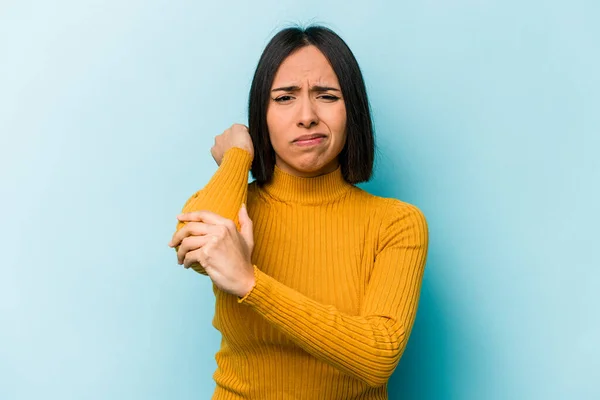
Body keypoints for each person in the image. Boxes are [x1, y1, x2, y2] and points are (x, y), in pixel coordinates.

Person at [168, 25, 429, 399]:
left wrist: (250, 284)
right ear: (263, 114)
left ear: (351, 110)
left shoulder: (396, 224)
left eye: (326, 95)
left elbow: (377, 356)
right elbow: (194, 245)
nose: (307, 115)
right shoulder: (236, 205)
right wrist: (237, 158)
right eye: (285, 98)